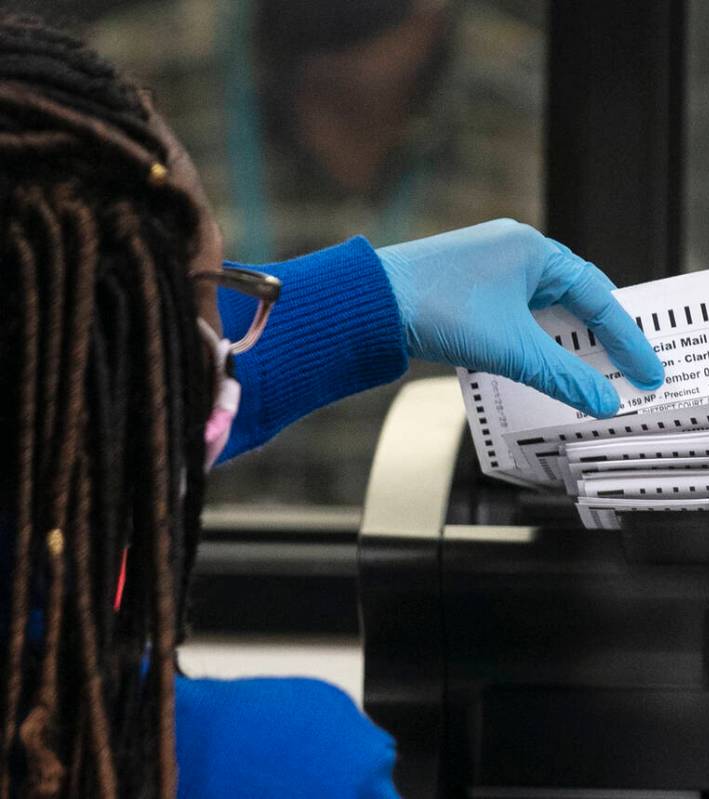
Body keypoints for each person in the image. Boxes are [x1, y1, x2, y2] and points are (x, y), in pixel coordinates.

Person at [0, 15, 663, 799]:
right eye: (217, 298)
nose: (208, 369)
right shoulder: (270, 767)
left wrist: (372, 298)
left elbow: (73, 374)